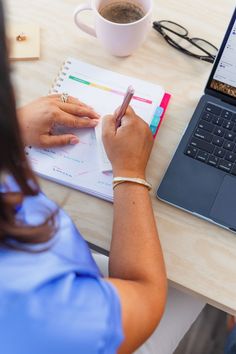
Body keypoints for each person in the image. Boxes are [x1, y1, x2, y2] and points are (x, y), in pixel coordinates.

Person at [0, 0, 204, 353]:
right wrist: (128, 173)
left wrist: (12, 127)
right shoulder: (41, 311)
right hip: (102, 323)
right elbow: (145, 295)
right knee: (202, 289)